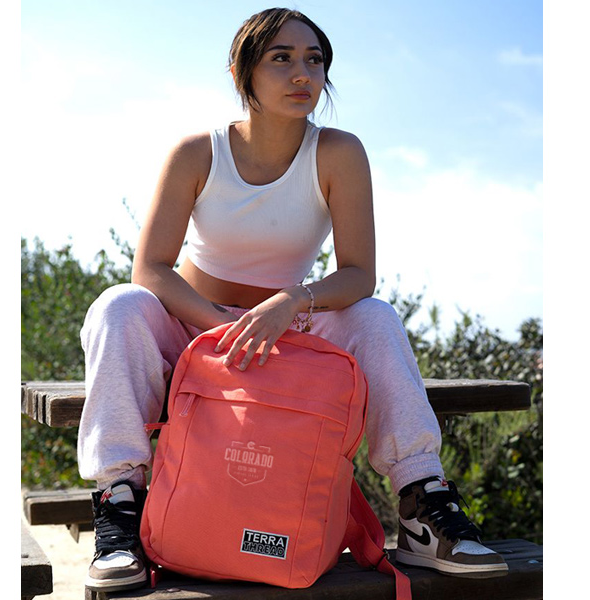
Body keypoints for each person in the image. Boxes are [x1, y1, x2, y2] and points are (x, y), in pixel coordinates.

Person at [78, 7, 508, 593]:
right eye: (281, 58)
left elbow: (359, 275)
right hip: (194, 330)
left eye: (315, 60)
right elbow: (150, 267)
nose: (302, 72)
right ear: (242, 70)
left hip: (291, 330)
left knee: (374, 319)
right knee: (118, 306)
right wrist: (220, 330)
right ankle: (119, 506)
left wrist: (290, 303)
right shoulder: (197, 152)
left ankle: (421, 507)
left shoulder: (338, 152)